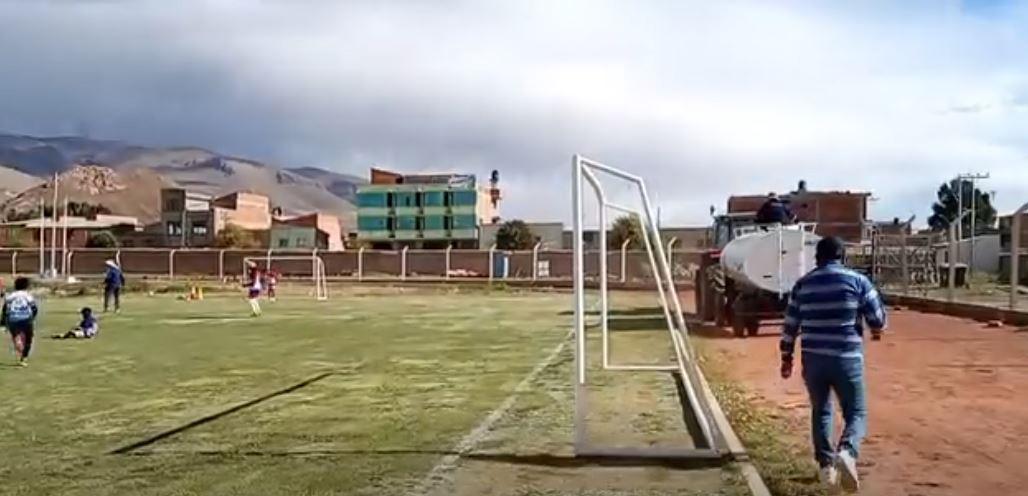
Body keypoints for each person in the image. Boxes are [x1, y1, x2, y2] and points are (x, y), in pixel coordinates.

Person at [780, 237, 887, 491]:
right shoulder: (858, 281)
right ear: (842, 256)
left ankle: (826, 467)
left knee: (822, 410)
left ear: (817, 257)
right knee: (856, 412)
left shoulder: (802, 285)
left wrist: (786, 357)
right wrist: (876, 329)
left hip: (813, 359)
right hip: (847, 357)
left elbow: (790, 325)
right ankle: (848, 452)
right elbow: (877, 318)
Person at [1, 277, 39, 366]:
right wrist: (33, 317)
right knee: (28, 339)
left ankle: (17, 340)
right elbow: (34, 308)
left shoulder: (10, 296)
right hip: (26, 318)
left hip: (13, 319)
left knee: (16, 334)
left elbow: (5, 309)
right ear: (26, 286)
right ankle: (24, 358)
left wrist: (3, 321)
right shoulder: (28, 296)